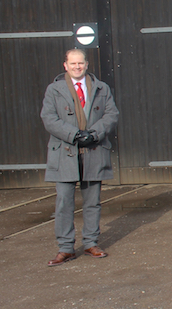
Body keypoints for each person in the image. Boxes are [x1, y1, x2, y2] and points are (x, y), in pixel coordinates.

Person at [40, 49, 119, 267]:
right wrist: (74, 134)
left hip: (94, 149)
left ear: (86, 64)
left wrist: (94, 133)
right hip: (65, 151)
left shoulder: (102, 88)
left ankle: (91, 243)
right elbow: (49, 118)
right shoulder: (53, 89)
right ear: (65, 65)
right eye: (73, 63)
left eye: (81, 63)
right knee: (64, 201)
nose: (77, 67)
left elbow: (111, 115)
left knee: (92, 201)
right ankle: (65, 248)